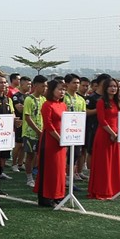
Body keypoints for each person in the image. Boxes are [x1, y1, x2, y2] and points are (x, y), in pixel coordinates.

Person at [87, 77, 120, 200]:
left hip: (115, 136)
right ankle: (101, 190)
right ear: (105, 88)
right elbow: (102, 120)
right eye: (111, 86)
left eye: (115, 86)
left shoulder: (117, 102)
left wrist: (117, 134)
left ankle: (113, 189)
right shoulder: (101, 102)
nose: (113, 88)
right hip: (104, 135)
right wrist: (112, 133)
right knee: (103, 164)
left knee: (113, 163)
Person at [34, 79, 67, 207]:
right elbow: (48, 125)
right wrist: (59, 138)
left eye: (63, 89)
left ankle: (58, 195)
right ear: (52, 90)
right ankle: (46, 197)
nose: (62, 92)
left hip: (62, 142)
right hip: (50, 141)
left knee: (59, 170)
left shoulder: (63, 105)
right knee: (49, 169)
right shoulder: (47, 105)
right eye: (59, 89)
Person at [22, 75, 47, 188]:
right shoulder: (29, 99)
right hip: (30, 133)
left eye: (46, 86)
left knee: (39, 155)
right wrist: (37, 131)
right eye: (43, 86)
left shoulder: (43, 99)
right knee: (30, 155)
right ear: (36, 86)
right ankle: (28, 178)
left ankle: (37, 175)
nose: (45, 88)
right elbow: (27, 117)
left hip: (41, 132)